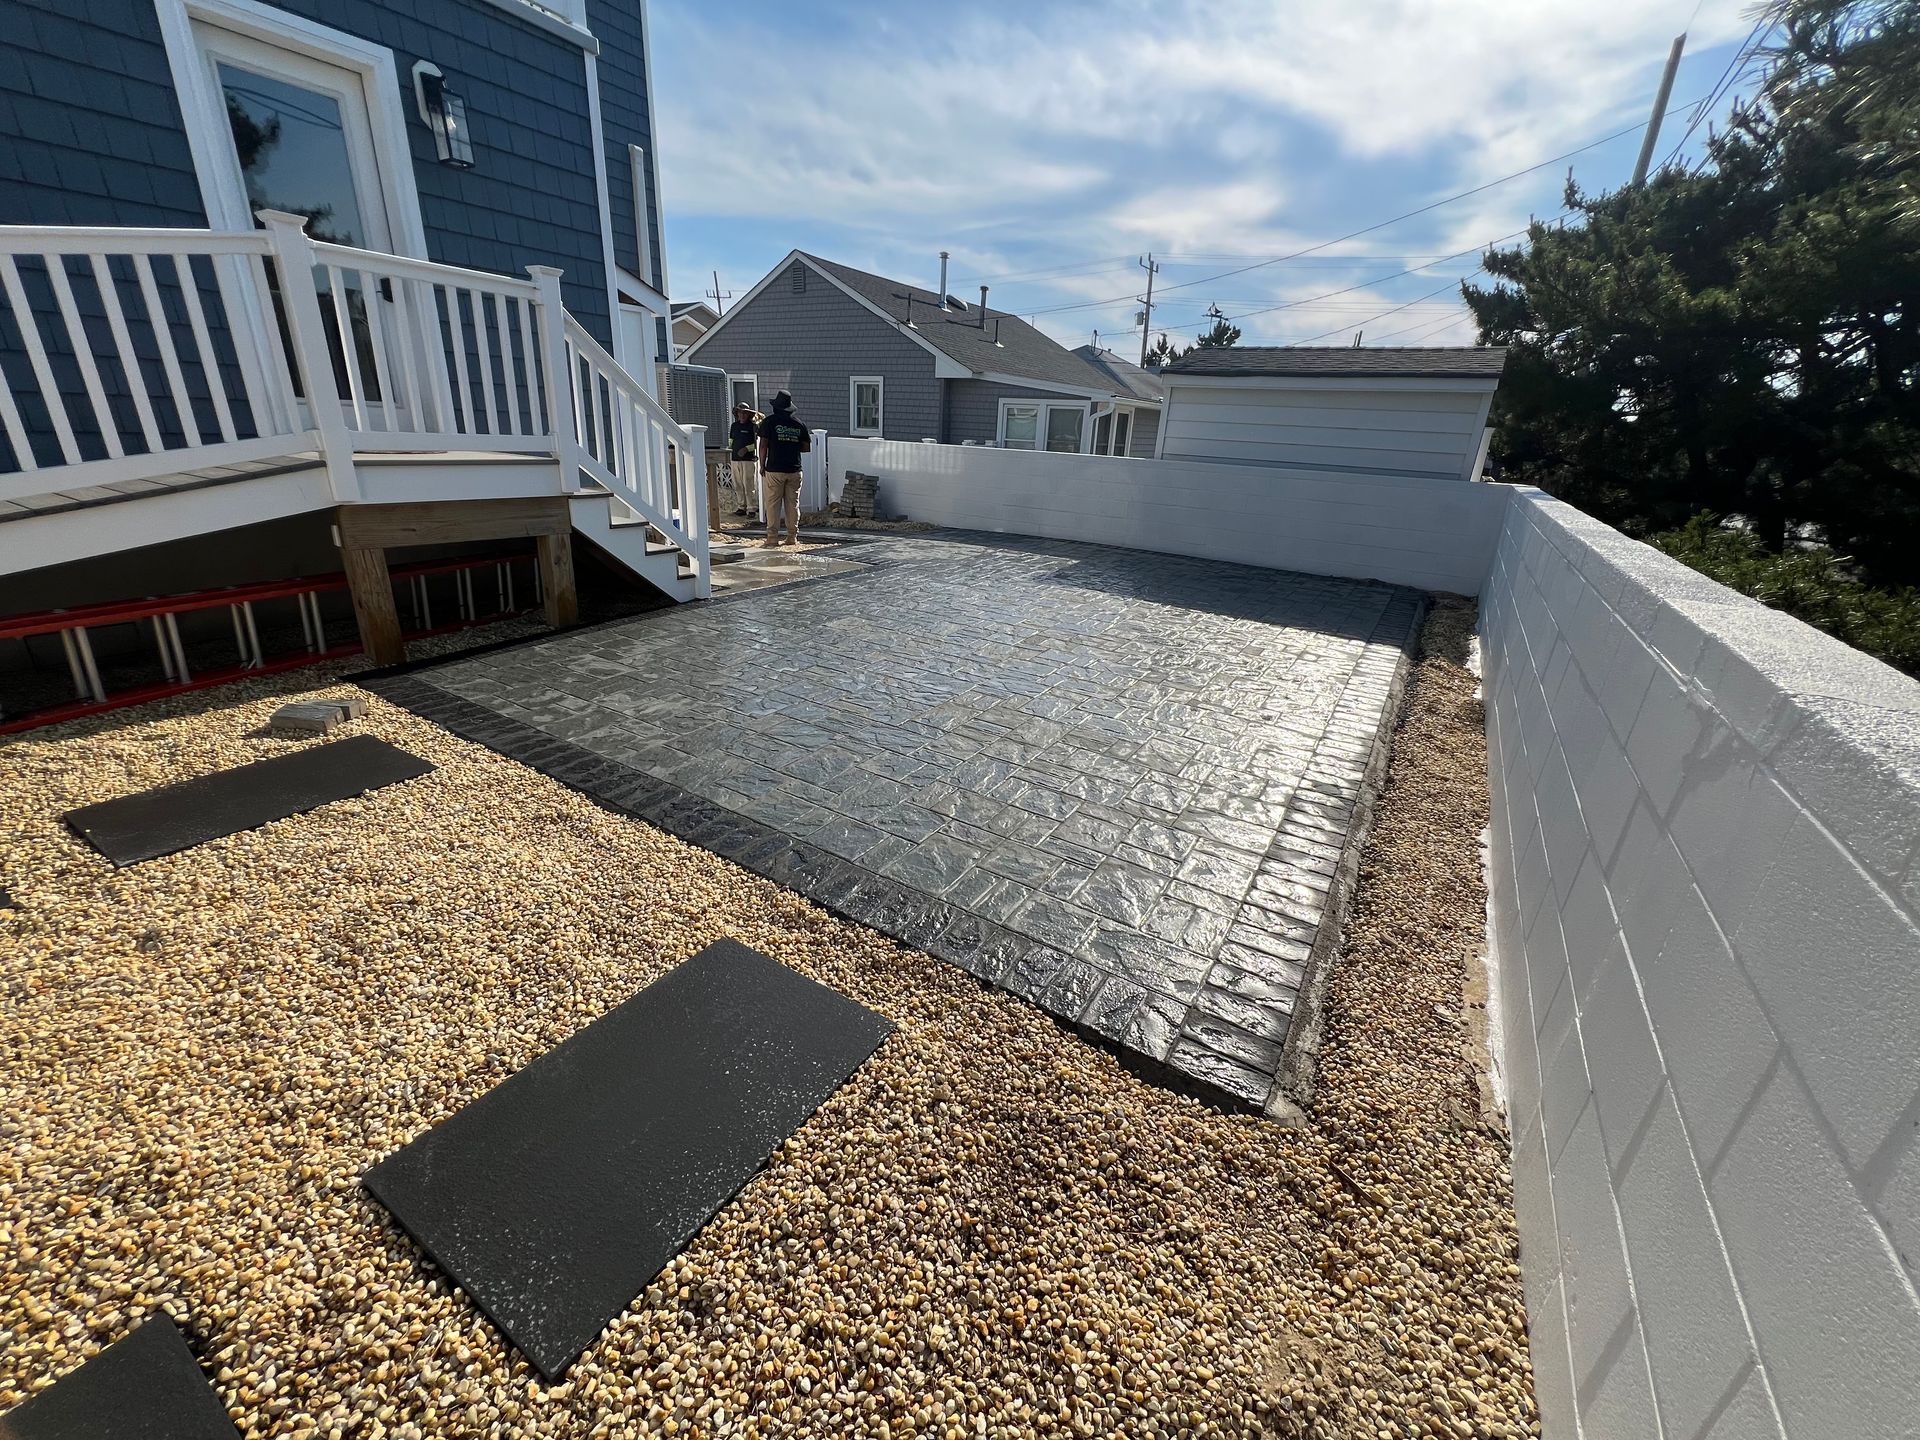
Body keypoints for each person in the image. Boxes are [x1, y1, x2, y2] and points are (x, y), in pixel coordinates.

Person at [756, 390, 809, 547]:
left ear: (775, 407)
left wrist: (762, 465)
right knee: (792, 504)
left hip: (774, 470)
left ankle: (772, 538)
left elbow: (763, 445)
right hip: (794, 470)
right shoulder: (799, 424)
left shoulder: (769, 422)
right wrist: (790, 444)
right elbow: (805, 448)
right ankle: (792, 537)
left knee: (773, 504)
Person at [726, 401, 759, 519]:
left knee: (748, 484)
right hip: (735, 459)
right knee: (738, 484)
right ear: (737, 414)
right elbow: (731, 441)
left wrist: (746, 449)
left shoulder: (753, 426)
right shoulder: (734, 426)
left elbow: (757, 444)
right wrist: (729, 451)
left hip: (748, 460)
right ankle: (741, 507)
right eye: (740, 413)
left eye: (745, 413)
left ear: (749, 414)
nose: (742, 415)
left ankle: (752, 508)